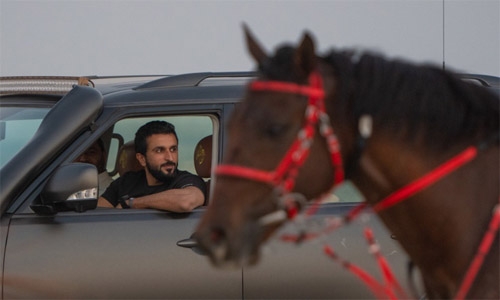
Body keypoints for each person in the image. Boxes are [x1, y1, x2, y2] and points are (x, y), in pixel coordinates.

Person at [98, 120, 206, 212]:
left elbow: (185, 202)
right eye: (159, 150)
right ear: (142, 159)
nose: (170, 158)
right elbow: (95, 217)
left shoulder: (187, 180)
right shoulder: (125, 182)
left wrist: (132, 203)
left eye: (173, 149)